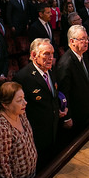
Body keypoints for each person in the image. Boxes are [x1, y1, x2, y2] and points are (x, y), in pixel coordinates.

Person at [14, 38, 67, 168]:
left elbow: (53, 96)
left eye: (52, 54)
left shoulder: (51, 71)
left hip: (53, 130)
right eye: (46, 54)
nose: (51, 58)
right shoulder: (23, 77)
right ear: (34, 55)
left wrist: (58, 110)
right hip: (37, 136)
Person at [55, 25, 89, 135]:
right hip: (76, 115)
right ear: (72, 41)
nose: (86, 42)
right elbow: (63, 93)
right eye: (82, 39)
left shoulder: (84, 55)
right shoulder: (66, 64)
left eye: (87, 38)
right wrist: (67, 117)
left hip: (86, 109)